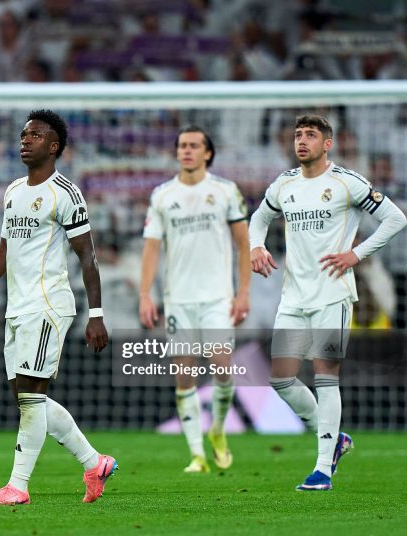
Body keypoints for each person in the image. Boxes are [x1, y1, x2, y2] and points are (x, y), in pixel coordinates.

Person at [0, 109, 116, 505]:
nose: (26, 140)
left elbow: (88, 257)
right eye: (24, 135)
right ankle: (95, 463)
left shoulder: (65, 193)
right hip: (16, 308)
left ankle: (17, 486)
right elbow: (5, 249)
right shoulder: (13, 191)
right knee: (28, 399)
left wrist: (96, 314)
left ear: (54, 146)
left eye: (36, 135)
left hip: (48, 304)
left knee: (30, 397)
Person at [249, 115, 407, 491]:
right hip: (293, 296)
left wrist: (358, 254)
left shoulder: (345, 182)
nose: (302, 141)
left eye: (311, 135)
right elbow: (258, 217)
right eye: (298, 135)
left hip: (333, 295)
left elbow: (395, 218)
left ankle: (322, 469)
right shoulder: (284, 183)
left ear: (327, 144)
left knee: (325, 377)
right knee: (282, 379)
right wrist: (256, 245)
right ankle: (335, 439)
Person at [139, 125, 250, 473]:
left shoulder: (226, 191)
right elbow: (151, 249)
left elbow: (244, 244)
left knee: (221, 369)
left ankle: (217, 429)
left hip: (218, 297)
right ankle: (197, 455)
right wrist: (146, 294)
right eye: (182, 146)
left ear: (208, 153)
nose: (187, 151)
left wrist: (243, 291)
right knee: (183, 376)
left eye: (194, 145)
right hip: (178, 300)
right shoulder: (161, 196)